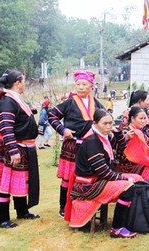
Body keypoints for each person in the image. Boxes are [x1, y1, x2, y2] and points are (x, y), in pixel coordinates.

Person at [64, 109, 143, 238]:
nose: (108, 127)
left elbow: (121, 147)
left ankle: (131, 220)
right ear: (94, 123)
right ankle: (117, 228)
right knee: (128, 186)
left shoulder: (104, 137)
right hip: (87, 186)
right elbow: (104, 172)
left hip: (99, 180)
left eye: (110, 123)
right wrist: (123, 178)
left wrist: (117, 132)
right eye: (104, 123)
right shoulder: (92, 142)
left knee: (138, 178)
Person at [0, 70, 40, 228]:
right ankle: (2, 219)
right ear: (17, 83)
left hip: (23, 146)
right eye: (23, 81)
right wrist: (13, 151)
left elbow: (19, 117)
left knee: (20, 180)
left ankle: (22, 211)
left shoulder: (13, 99)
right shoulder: (8, 102)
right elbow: (7, 128)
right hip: (14, 147)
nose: (24, 84)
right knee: (6, 183)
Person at [49, 70, 105, 217]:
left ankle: (86, 203)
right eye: (78, 84)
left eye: (84, 84)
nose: (80, 87)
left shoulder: (97, 103)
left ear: (91, 86)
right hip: (73, 145)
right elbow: (52, 115)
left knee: (88, 175)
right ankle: (64, 206)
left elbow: (105, 118)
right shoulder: (69, 102)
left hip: (91, 145)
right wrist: (62, 129)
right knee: (68, 177)